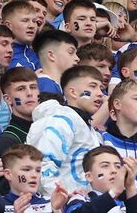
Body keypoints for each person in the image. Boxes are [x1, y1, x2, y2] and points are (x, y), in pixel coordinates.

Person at [27, 65, 105, 194]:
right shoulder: (61, 121)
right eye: (93, 86)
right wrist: (63, 199)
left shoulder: (85, 125)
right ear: (73, 92)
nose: (100, 94)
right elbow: (43, 163)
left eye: (101, 88)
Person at [64, 146, 137, 213]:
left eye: (118, 166)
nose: (114, 170)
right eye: (105, 166)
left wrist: (130, 186)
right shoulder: (81, 198)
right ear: (89, 176)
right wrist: (113, 192)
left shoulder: (127, 200)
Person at [0, 145, 71, 213]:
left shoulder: (49, 203)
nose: (34, 175)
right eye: (26, 169)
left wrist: (55, 210)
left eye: (38, 170)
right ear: (8, 174)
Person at [33, 29, 79, 95]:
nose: (77, 58)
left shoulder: (54, 85)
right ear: (51, 55)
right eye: (71, 52)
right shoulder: (46, 84)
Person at [1, 0, 40, 70]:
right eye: (25, 20)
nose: (32, 26)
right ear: (8, 25)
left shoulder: (35, 55)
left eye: (34, 21)